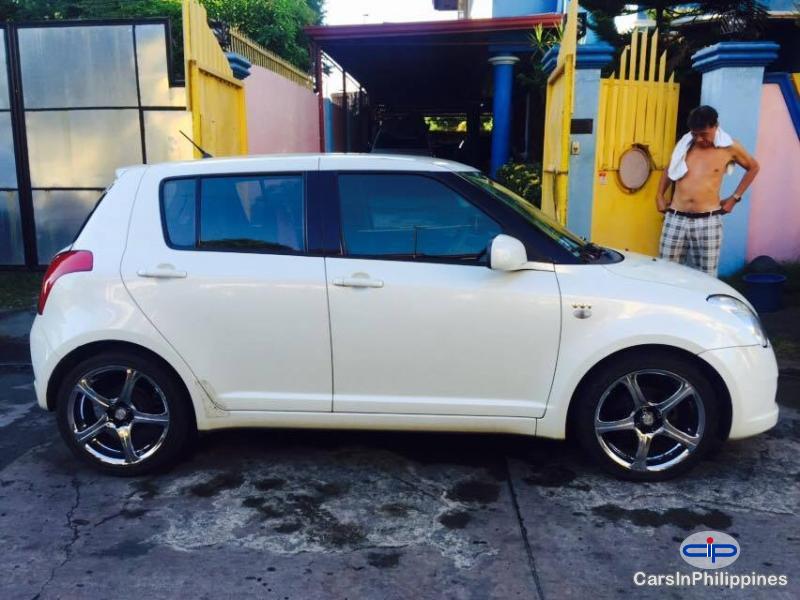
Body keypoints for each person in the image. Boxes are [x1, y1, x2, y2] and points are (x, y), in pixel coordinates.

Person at [656, 105, 760, 277]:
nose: (698, 139)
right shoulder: (685, 144)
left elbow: (753, 167)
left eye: (703, 134)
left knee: (706, 277)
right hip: (675, 217)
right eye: (695, 134)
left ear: (715, 126)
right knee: (665, 273)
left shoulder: (730, 147)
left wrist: (734, 198)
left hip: (708, 221)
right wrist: (659, 195)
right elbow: (670, 168)